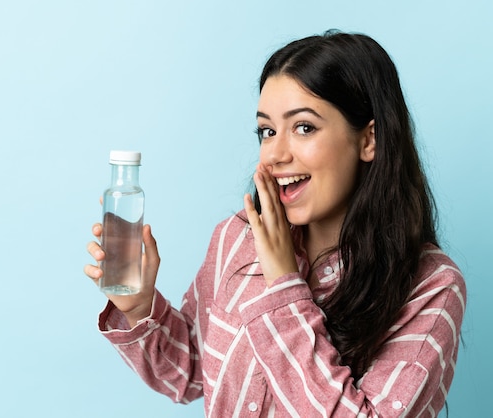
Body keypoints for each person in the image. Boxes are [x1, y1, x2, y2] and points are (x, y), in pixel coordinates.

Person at [85, 30, 466, 417]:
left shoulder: (431, 286)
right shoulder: (237, 238)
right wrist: (137, 307)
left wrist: (284, 286)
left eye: (304, 127)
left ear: (369, 140)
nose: (276, 154)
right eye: (267, 131)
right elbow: (192, 373)